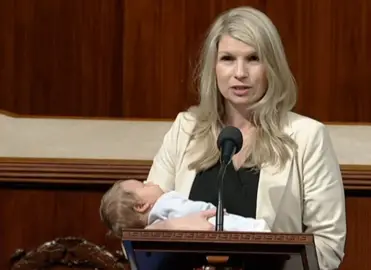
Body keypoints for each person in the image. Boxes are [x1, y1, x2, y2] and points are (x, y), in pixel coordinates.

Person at [144, 6, 346, 270]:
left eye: (253, 58)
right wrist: (175, 226)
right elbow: (146, 220)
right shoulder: (185, 129)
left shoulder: (307, 137)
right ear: (213, 67)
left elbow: (327, 246)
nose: (240, 73)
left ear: (271, 67)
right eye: (228, 58)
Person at [99, 179, 271, 237]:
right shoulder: (165, 203)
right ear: (141, 206)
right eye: (143, 186)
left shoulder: (157, 220)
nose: (149, 182)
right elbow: (191, 212)